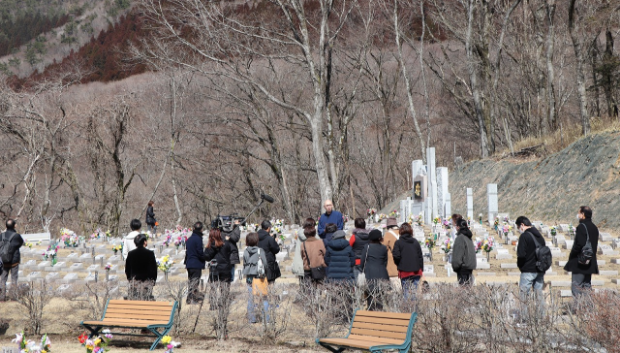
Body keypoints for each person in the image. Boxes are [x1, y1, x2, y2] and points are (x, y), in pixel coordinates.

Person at [565, 206, 599, 298]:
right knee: (587, 287)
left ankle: (578, 309)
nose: (578, 215)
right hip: (590, 261)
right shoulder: (594, 227)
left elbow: (578, 244)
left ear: (583, 215)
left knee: (577, 287)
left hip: (580, 262)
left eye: (579, 213)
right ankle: (588, 309)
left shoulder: (581, 227)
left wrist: (572, 256)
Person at [516, 216, 546, 318]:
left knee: (524, 294)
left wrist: (521, 266)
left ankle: (524, 318)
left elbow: (521, 254)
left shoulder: (525, 236)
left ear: (522, 225)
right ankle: (541, 317)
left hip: (528, 269)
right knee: (539, 294)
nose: (518, 229)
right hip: (539, 269)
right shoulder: (539, 236)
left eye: (518, 227)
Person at [242, 232, 270, 323]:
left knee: (250, 298)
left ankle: (251, 318)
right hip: (259, 277)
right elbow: (265, 263)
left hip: (250, 277)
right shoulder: (260, 251)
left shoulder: (246, 251)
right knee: (264, 297)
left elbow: (245, 263)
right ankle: (266, 318)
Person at [360, 229, 389, 310]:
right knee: (380, 295)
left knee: (370, 295)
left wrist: (361, 269)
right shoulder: (383, 248)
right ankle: (379, 312)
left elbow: (362, 261)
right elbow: (385, 261)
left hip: (370, 273)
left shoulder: (367, 247)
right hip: (382, 273)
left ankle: (371, 312)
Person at [392, 222, 423, 296]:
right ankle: (414, 307)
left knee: (406, 293)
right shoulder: (415, 242)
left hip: (404, 271)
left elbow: (396, 256)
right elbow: (420, 257)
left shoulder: (398, 243)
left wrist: (399, 264)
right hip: (416, 271)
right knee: (414, 293)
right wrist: (421, 269)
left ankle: (407, 307)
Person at [125, 234, 158, 300]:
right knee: (146, 300)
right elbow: (153, 269)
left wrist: (130, 279)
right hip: (146, 282)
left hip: (134, 282)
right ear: (144, 242)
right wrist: (153, 280)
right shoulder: (150, 253)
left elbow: (127, 269)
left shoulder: (131, 254)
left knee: (134, 300)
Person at [0, 219, 23, 301]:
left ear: (6, 226)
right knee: (14, 278)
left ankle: (2, 297)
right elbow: (20, 243)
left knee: (3, 279)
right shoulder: (16, 236)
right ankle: (13, 296)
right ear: (14, 226)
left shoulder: (1, 235)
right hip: (14, 261)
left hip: (3, 261)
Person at [185, 222, 207, 304]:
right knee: (194, 282)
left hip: (189, 263)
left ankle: (190, 297)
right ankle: (191, 298)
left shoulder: (189, 239)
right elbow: (200, 252)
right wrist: (204, 258)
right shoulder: (198, 239)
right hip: (196, 263)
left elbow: (187, 252)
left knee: (191, 281)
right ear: (201, 229)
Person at [451, 218, 476, 287]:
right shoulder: (468, 237)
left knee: (463, 289)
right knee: (468, 288)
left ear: (458, 227)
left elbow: (457, 255)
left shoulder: (460, 238)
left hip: (462, 268)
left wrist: (455, 266)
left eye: (456, 225)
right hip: (469, 267)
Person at [292, 219, 312, 284]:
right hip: (309, 265)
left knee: (302, 286)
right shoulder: (312, 236)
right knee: (310, 287)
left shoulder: (300, 234)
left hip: (300, 263)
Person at [383, 218, 400, 286]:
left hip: (392, 267)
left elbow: (383, 248)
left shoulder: (387, 234)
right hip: (404, 267)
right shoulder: (402, 232)